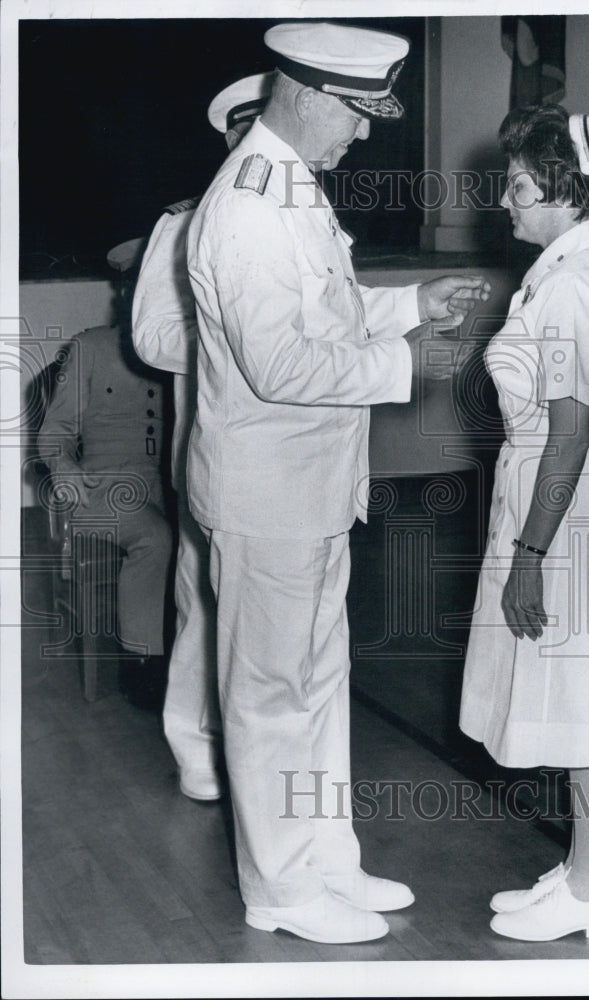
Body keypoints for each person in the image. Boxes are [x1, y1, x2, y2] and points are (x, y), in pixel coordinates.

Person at [186, 21, 490, 944]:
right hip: (267, 496)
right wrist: (408, 360)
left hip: (312, 487)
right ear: (310, 95)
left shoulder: (292, 189)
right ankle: (277, 889)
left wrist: (408, 305)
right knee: (270, 696)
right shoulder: (244, 207)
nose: (363, 135)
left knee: (318, 684)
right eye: (358, 114)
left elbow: (325, 306)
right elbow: (280, 363)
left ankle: (325, 860)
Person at [459, 104, 589, 941]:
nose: (503, 200)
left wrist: (530, 553)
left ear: (564, 195)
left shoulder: (574, 286)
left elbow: (568, 431)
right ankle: (581, 871)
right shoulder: (570, 267)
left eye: (516, 187)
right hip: (563, 489)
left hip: (566, 506)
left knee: (586, 705)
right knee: (582, 698)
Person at [132, 72, 275, 803]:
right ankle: (195, 743)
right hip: (211, 447)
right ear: (229, 139)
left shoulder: (305, 219)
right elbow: (153, 336)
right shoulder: (185, 223)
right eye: (248, 134)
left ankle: (261, 748)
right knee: (205, 601)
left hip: (287, 456)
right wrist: (239, 333)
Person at [38, 239, 173, 704]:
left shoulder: (184, 351)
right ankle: (142, 663)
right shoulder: (90, 347)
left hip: (170, 485)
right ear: (124, 292)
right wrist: (63, 467)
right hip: (103, 488)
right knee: (155, 539)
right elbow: (53, 431)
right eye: (139, 287)